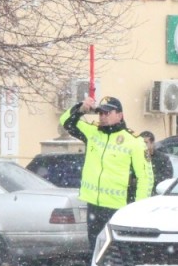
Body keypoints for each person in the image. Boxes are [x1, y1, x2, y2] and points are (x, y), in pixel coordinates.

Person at [60, 95, 152, 248]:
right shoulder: (93, 132)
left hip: (119, 208)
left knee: (117, 250)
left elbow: (145, 178)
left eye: (107, 113)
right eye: (100, 113)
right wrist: (81, 109)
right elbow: (65, 121)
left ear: (120, 115)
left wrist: (138, 209)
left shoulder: (134, 141)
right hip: (94, 206)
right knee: (95, 249)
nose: (103, 116)